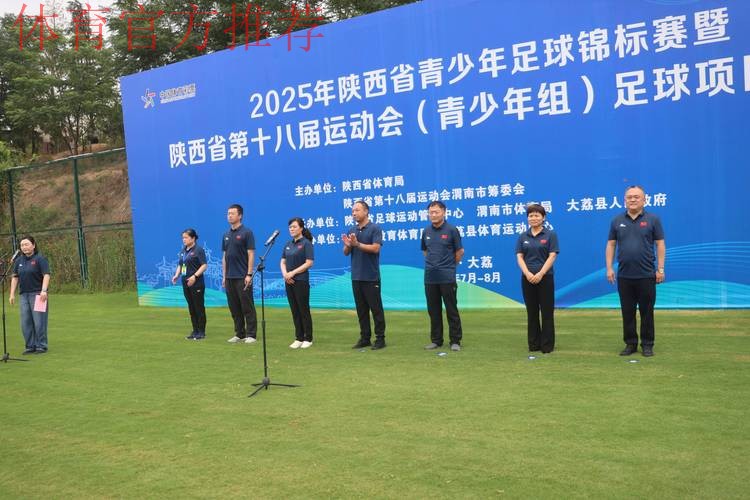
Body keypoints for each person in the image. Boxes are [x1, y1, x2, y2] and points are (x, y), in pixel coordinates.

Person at [606, 185, 666, 357]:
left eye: (636, 197)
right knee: (627, 312)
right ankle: (630, 343)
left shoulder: (653, 219)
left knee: (647, 312)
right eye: (629, 197)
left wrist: (660, 269)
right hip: (625, 275)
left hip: (646, 275)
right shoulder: (617, 220)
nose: (632, 199)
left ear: (644, 200)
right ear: (624, 200)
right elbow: (611, 244)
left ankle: (647, 344)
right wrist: (609, 268)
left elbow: (660, 244)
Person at [515, 204, 559, 354]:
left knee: (547, 312)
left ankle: (547, 345)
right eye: (531, 215)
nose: (533, 218)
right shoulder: (523, 236)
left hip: (545, 278)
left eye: (537, 215)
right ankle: (533, 344)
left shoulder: (550, 235)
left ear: (543, 217)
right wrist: (527, 273)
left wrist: (540, 273)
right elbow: (519, 257)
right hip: (527, 278)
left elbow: (552, 256)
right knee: (532, 312)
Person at [342, 200, 386, 350]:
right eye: (352, 211)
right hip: (356, 276)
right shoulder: (352, 230)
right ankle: (365, 338)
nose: (354, 213)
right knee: (361, 311)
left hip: (371, 276)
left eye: (357, 210)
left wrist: (357, 244)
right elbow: (345, 252)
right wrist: (348, 245)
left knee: (376, 310)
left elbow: (375, 248)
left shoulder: (375, 228)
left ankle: (380, 339)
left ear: (366, 211)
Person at [421, 201, 465, 351]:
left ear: (444, 212)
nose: (433, 215)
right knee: (433, 310)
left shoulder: (452, 230)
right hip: (430, 277)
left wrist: (449, 266)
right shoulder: (426, 231)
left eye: (436, 212)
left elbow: (460, 252)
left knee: (451, 310)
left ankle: (455, 341)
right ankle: (436, 340)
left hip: (447, 277)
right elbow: (425, 251)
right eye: (431, 212)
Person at [8, 236, 51, 354]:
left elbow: (46, 275)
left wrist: (44, 290)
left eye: (26, 244)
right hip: (24, 295)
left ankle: (41, 345)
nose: (24, 247)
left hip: (38, 294)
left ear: (33, 245)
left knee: (39, 321)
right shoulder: (19, 261)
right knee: (26, 322)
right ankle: (30, 346)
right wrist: (12, 294)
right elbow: (15, 277)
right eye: (22, 245)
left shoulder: (40, 259)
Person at [222, 203, 258, 344]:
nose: (229, 216)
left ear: (240, 215)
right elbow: (224, 257)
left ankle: (251, 334)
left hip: (242, 276)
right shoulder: (226, 235)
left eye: (232, 213)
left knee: (247, 306)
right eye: (228, 213)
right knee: (234, 307)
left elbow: (251, 254)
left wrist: (249, 274)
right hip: (229, 277)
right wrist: (224, 276)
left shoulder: (247, 232)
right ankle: (239, 333)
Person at [281, 218, 315, 349]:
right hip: (288, 281)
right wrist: (286, 274)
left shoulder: (306, 243)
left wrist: (293, 273)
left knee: (303, 309)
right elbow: (282, 261)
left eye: (294, 227)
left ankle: (308, 338)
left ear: (301, 228)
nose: (292, 229)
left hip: (301, 281)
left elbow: (309, 262)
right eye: (290, 227)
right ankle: (299, 337)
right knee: (294, 310)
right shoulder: (288, 244)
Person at [171, 229, 208, 340]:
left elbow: (204, 265)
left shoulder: (199, 250)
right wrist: (176, 275)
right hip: (185, 283)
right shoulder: (183, 250)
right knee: (191, 307)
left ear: (193, 238)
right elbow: (180, 264)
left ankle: (201, 331)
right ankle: (195, 330)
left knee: (198, 307)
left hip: (196, 283)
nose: (184, 240)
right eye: (183, 238)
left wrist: (195, 276)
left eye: (186, 237)